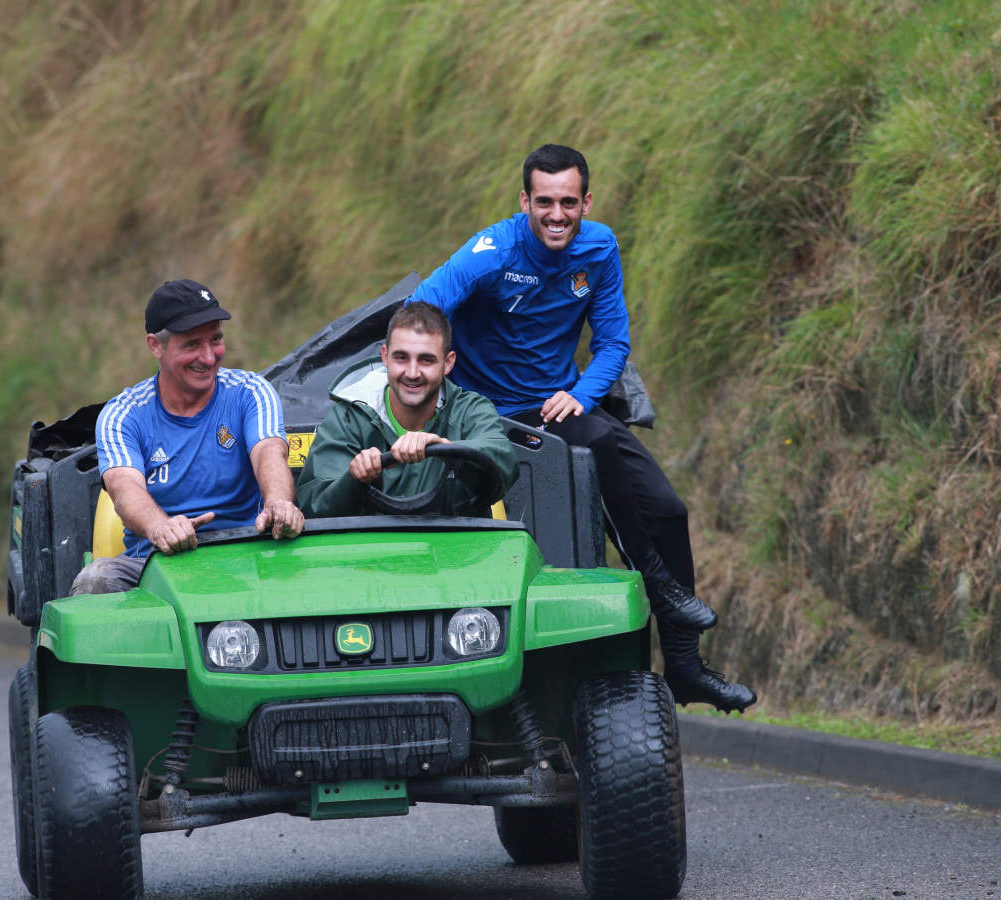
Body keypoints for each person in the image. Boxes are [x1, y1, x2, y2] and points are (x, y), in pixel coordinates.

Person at [408, 144, 755, 712]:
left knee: (669, 509)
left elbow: (614, 342)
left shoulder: (599, 247)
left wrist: (582, 394)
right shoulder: (491, 253)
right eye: (544, 202)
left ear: (586, 202)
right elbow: (422, 311)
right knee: (595, 449)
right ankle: (661, 590)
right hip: (494, 415)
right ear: (525, 201)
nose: (556, 215)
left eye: (568, 202)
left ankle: (687, 671)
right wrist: (444, 396)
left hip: (564, 404)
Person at [70, 279, 304, 594]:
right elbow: (124, 489)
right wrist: (161, 528)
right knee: (94, 580)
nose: (208, 358)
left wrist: (279, 504)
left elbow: (269, 453)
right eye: (192, 344)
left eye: (216, 339)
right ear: (156, 345)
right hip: (154, 562)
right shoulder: (123, 414)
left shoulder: (251, 392)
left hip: (245, 553)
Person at [297, 302, 518, 518]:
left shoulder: (471, 409)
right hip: (371, 551)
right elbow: (313, 506)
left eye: (426, 360)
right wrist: (355, 478)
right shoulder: (348, 417)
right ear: (385, 357)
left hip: (460, 551)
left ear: (448, 363)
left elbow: (504, 461)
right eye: (401, 358)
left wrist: (447, 448)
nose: (412, 373)